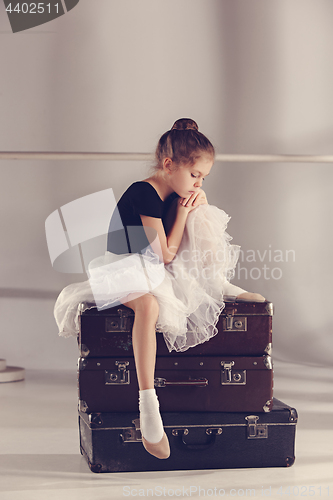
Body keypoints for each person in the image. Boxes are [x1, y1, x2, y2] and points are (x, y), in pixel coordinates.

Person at [54, 118, 265, 461]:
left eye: (203, 176)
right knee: (149, 306)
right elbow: (164, 255)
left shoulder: (175, 191)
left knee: (200, 208)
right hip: (120, 269)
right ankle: (148, 406)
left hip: (150, 268)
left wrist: (196, 202)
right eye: (195, 174)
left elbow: (174, 252)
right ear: (169, 165)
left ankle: (217, 283)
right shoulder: (144, 192)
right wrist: (181, 215)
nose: (198, 181)